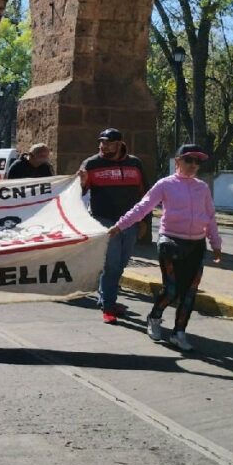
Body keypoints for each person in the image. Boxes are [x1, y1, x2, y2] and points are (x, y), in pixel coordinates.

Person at [109, 144, 222, 351]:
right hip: (170, 241)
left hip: (196, 245)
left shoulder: (202, 188)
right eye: (189, 160)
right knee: (171, 289)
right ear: (177, 161)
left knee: (189, 292)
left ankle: (179, 332)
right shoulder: (165, 185)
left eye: (198, 161)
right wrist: (120, 225)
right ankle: (154, 317)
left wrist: (215, 243)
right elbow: (143, 207)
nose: (194, 165)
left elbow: (210, 218)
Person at [78, 127, 146, 324]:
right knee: (111, 264)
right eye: (101, 142)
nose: (102, 145)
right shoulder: (91, 164)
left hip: (131, 221)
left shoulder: (135, 163)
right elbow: (78, 193)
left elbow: (145, 195)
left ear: (119, 144)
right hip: (104, 221)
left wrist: (144, 221)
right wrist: (81, 182)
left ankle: (105, 297)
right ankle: (109, 306)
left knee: (121, 264)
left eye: (107, 142)